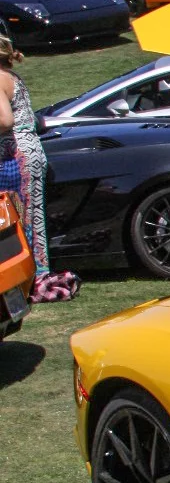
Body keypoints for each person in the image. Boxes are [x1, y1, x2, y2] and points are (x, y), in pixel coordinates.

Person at [0, 34, 73, 302]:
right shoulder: (11, 77)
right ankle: (36, 273)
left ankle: (26, 276)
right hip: (29, 151)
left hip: (15, 156)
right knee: (31, 215)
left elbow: (5, 120)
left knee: (16, 217)